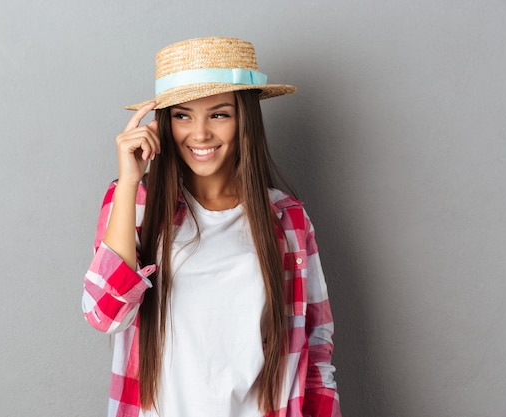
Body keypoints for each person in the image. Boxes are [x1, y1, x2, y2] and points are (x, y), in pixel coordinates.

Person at [82, 37, 341, 417]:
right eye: (182, 115)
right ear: (164, 124)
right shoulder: (135, 201)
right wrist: (129, 181)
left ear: (244, 120)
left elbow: (316, 350)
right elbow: (104, 315)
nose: (200, 134)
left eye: (219, 114)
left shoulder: (287, 217)